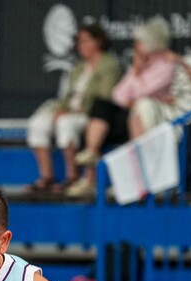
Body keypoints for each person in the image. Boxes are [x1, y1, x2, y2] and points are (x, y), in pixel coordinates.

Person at [68, 17, 177, 198]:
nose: (135, 46)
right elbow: (117, 95)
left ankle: (98, 174)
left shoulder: (166, 65)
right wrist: (135, 72)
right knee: (101, 106)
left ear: (151, 43)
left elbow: (143, 92)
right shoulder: (139, 66)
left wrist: (136, 75)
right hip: (130, 114)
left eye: (139, 43)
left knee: (110, 118)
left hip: (149, 117)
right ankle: (92, 153)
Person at [25, 22, 121, 194]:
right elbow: (67, 96)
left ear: (98, 41)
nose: (80, 46)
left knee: (65, 122)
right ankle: (47, 177)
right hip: (70, 110)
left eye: (85, 41)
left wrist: (70, 111)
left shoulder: (109, 65)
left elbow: (105, 97)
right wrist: (60, 109)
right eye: (79, 41)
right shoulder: (78, 67)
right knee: (38, 123)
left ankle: (72, 176)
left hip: (91, 115)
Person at [128, 12, 191, 137]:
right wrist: (167, 99)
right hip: (178, 110)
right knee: (144, 106)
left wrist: (182, 62)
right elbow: (176, 93)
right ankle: (144, 154)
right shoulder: (189, 56)